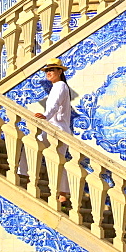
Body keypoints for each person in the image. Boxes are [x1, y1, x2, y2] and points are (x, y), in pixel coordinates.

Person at [19, 58, 72, 200]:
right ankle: (62, 193)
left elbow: (54, 105)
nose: (48, 73)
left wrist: (45, 116)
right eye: (47, 70)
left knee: (32, 144)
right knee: (56, 158)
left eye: (52, 70)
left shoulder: (60, 86)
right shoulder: (59, 86)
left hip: (56, 129)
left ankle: (24, 174)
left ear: (60, 71)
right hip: (57, 128)